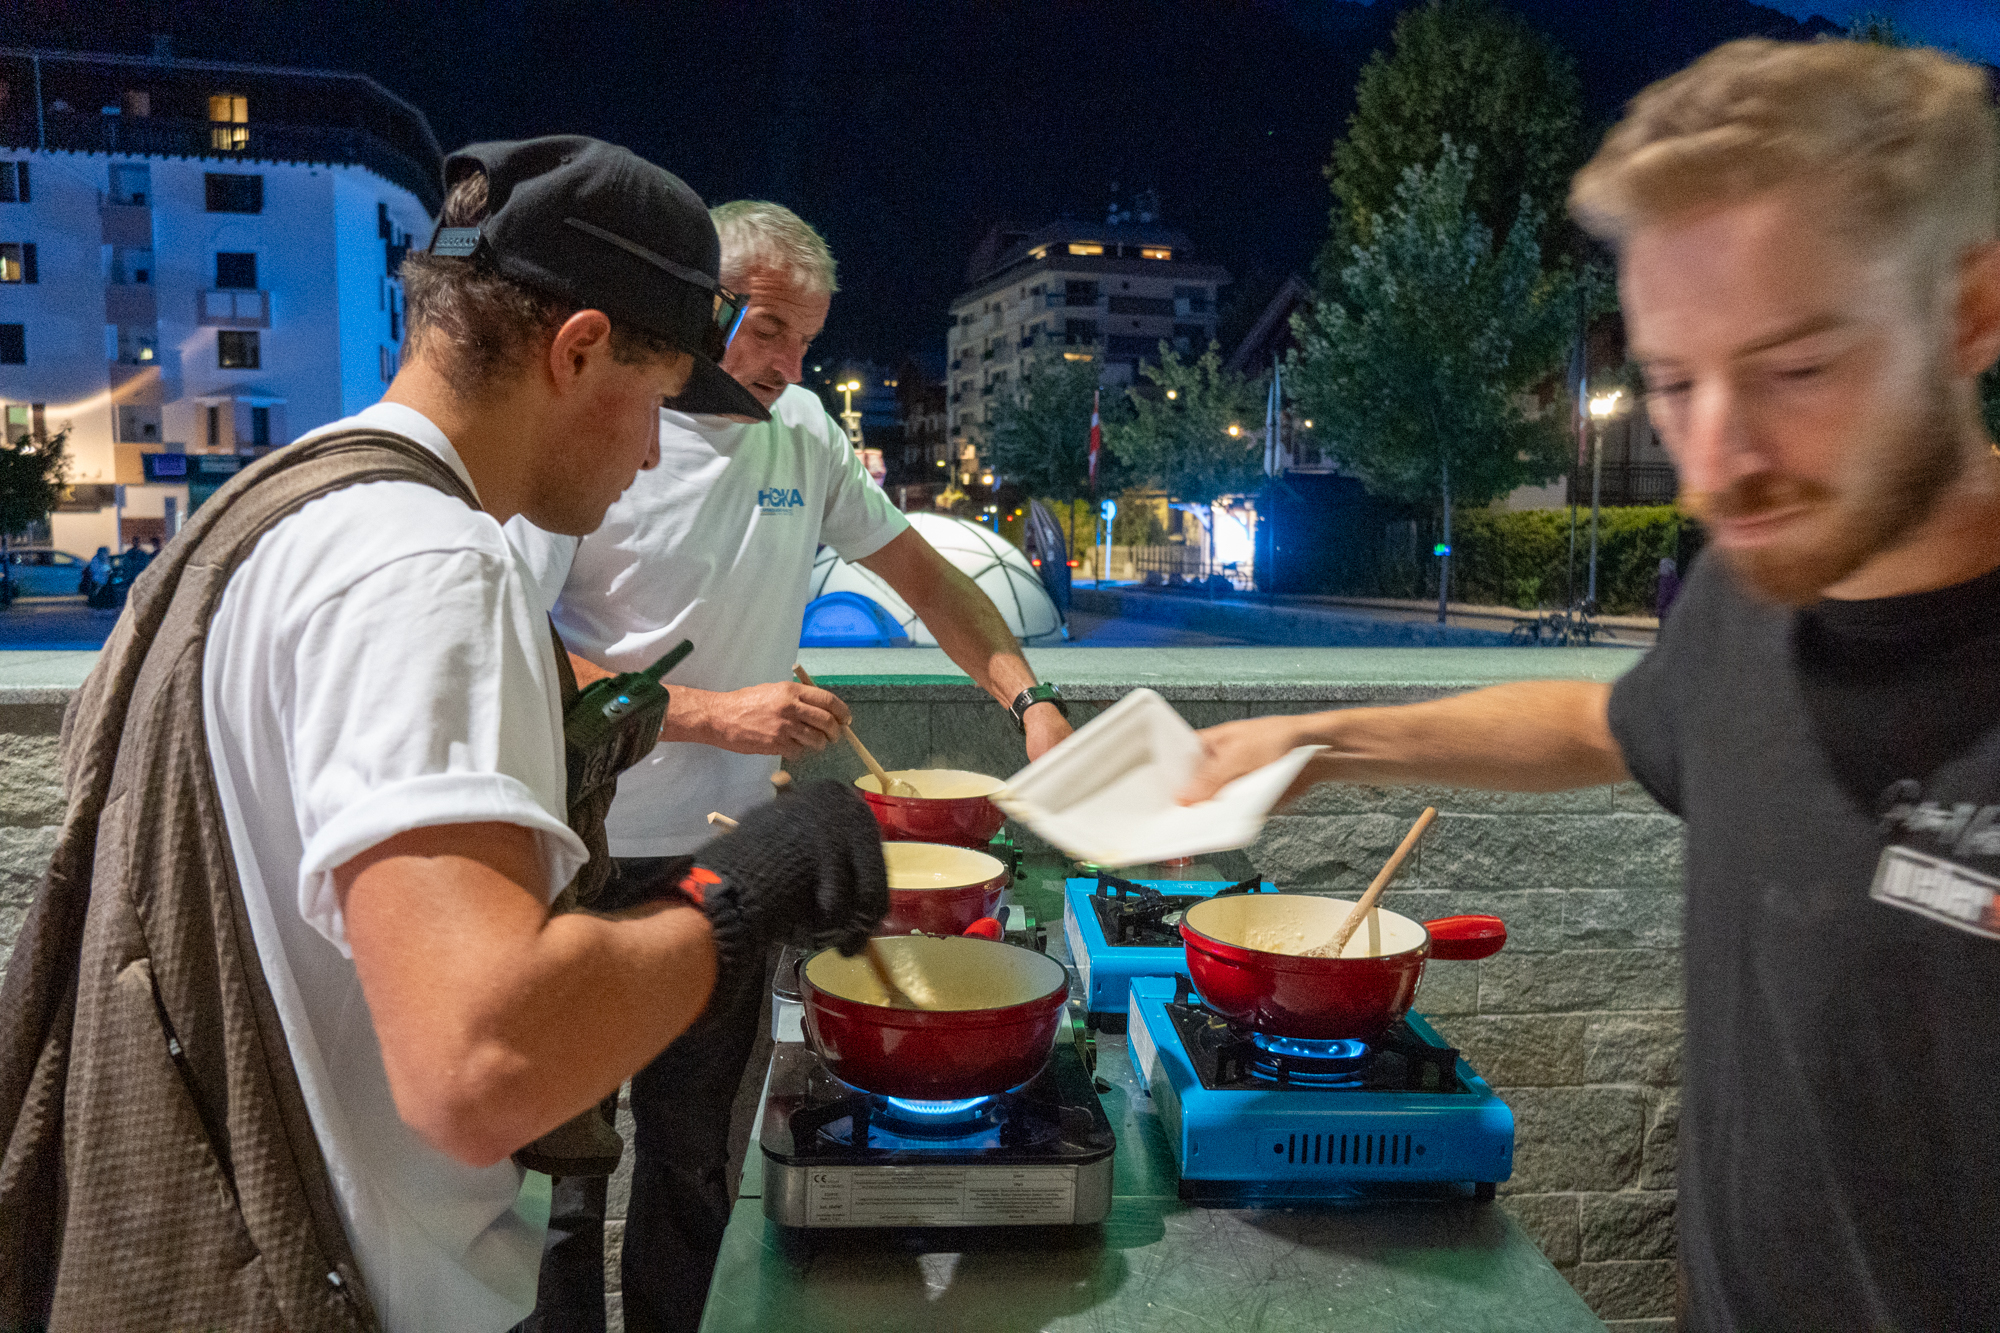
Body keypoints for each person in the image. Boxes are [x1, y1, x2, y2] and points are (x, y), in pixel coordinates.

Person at [1176, 39, 2000, 1332]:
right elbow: (1604, 720)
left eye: (1795, 370)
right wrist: (1319, 739)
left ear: (1969, 313)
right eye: (1671, 382)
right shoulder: (1754, 586)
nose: (1715, 461)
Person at [0, 137, 887, 1333]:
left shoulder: (288, 502)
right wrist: (751, 884)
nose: (645, 454)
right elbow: (487, 1068)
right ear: (578, 351)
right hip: (356, 1282)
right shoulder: (434, 569)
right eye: (659, 405)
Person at [508, 201, 1074, 1332]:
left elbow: (926, 578)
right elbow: (510, 650)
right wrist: (715, 712)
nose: (786, 363)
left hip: (724, 872)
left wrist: (1030, 696)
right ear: (701, 304)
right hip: (572, 853)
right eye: (766, 328)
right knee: (558, 1181)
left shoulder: (803, 432)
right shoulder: (600, 421)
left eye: (806, 340)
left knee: (694, 1165)